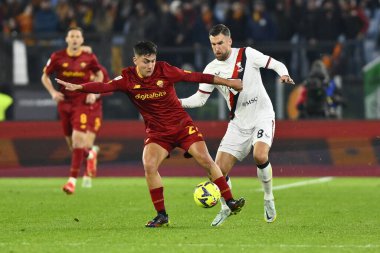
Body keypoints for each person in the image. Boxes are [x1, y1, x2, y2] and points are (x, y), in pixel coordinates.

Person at [56, 40, 245, 228]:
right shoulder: (127, 79)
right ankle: (161, 215)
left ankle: (230, 201)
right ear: (135, 60)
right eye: (146, 61)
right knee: (149, 165)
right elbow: (104, 87)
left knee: (205, 160)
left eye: (153, 60)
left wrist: (229, 82)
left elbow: (196, 77)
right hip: (157, 133)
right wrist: (79, 87)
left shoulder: (165, 70)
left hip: (182, 126)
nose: (150, 65)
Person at [180, 24, 295, 226]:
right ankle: (226, 207)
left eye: (220, 43)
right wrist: (177, 102)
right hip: (238, 122)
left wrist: (283, 74)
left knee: (260, 155)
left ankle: (268, 198)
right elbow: (200, 99)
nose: (217, 48)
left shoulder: (247, 54)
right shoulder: (211, 69)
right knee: (217, 171)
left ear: (230, 41)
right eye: (213, 44)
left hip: (262, 115)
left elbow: (275, 63)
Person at [41, 27, 104, 195]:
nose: (75, 39)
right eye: (72, 36)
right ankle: (89, 154)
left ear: (82, 40)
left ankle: (71, 181)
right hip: (64, 102)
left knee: (77, 141)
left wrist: (92, 92)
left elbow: (100, 76)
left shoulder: (89, 58)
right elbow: (44, 76)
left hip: (81, 102)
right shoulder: (57, 57)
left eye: (78, 36)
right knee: (72, 146)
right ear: (67, 39)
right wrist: (53, 92)